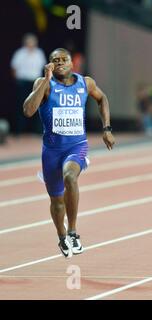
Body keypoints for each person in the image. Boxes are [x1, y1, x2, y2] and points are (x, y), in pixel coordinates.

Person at [23, 48, 115, 258]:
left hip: (76, 146)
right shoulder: (43, 84)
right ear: (50, 65)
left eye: (64, 59)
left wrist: (107, 128)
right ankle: (62, 236)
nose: (61, 63)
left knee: (70, 177)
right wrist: (46, 80)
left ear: (72, 62)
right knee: (56, 200)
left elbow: (102, 99)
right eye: (56, 60)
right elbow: (28, 111)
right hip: (51, 151)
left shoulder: (86, 83)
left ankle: (73, 232)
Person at [11, 33, 46, 135]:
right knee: (21, 106)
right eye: (29, 43)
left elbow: (43, 68)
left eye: (33, 43)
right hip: (22, 82)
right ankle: (18, 131)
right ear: (25, 43)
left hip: (35, 83)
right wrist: (17, 81)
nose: (31, 45)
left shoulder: (39, 53)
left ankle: (36, 131)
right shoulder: (20, 53)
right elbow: (13, 68)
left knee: (37, 105)